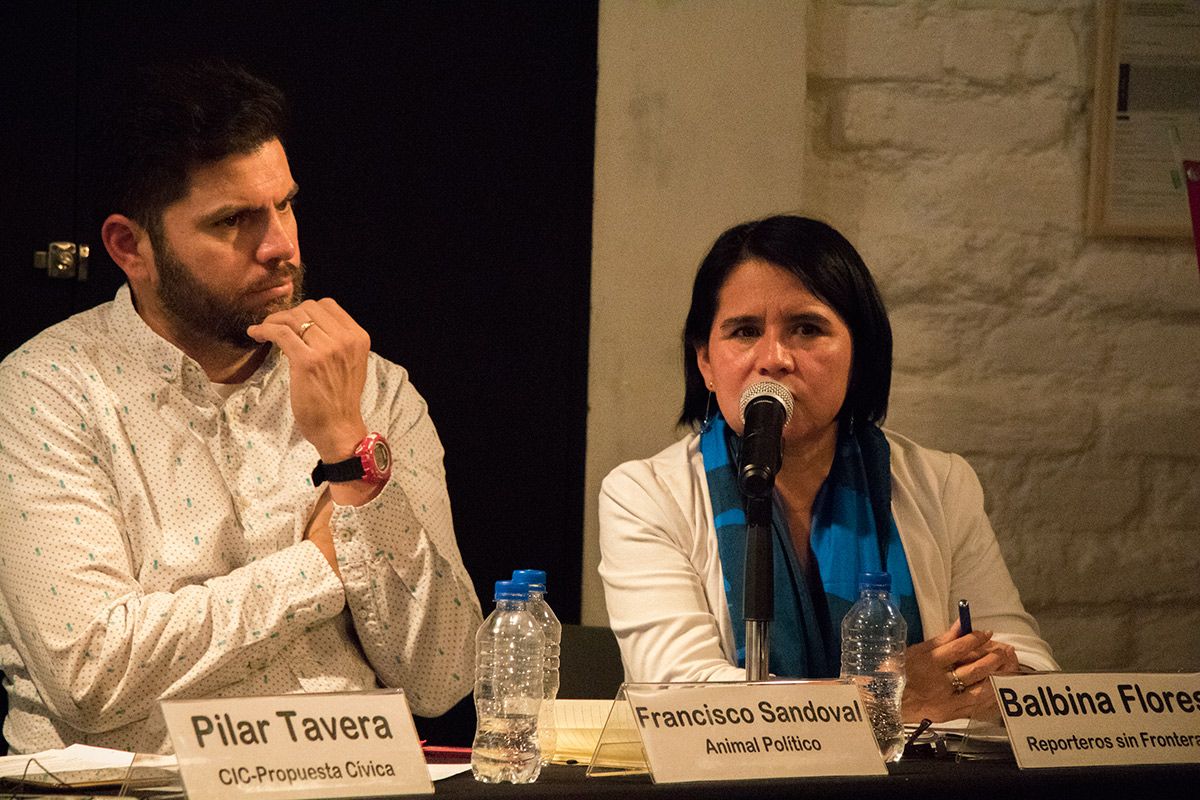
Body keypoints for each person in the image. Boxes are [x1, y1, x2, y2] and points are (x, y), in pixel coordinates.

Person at [0, 61, 482, 754]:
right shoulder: (47, 391)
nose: (281, 246)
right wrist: (321, 563)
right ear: (130, 247)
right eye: (233, 221)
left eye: (284, 205)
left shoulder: (370, 387)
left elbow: (444, 676)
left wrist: (351, 457)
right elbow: (92, 676)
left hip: (346, 782)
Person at [598, 215, 1056, 723]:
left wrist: (997, 678)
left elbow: (1030, 671)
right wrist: (888, 698)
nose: (773, 359)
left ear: (859, 355)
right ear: (706, 362)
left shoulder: (940, 483)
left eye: (806, 329)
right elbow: (677, 696)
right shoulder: (645, 494)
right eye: (745, 332)